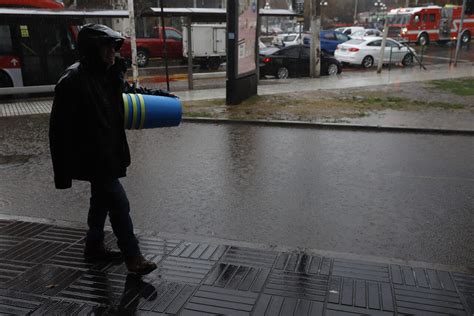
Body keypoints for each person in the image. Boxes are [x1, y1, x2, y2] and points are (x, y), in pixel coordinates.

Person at [49, 24, 173, 275]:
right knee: (118, 203)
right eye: (106, 47)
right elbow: (58, 131)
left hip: (110, 152)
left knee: (101, 202)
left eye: (113, 47)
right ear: (91, 50)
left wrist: (163, 97)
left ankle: (93, 247)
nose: (112, 53)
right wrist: (62, 174)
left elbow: (129, 93)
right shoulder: (72, 81)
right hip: (92, 158)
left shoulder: (109, 74)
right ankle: (133, 256)